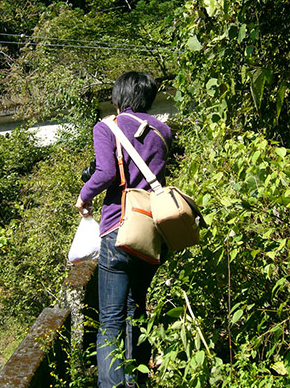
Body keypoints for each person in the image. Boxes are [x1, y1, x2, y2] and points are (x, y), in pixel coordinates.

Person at [76, 71, 172, 388]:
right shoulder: (163, 131)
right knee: (136, 309)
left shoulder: (108, 127)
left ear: (118, 99)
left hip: (118, 227)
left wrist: (84, 196)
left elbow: (105, 172)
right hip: (151, 231)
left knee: (111, 320)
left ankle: (113, 385)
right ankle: (135, 380)